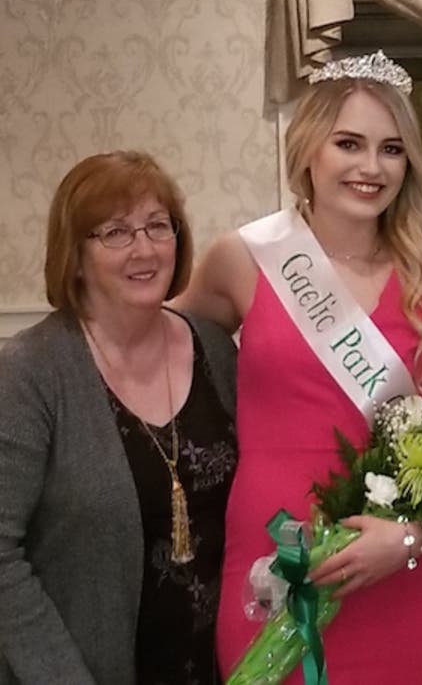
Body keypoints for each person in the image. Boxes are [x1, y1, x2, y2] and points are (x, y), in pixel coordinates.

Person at [179, 52, 422, 683]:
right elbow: (153, 345)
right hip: (274, 556)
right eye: (350, 144)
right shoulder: (243, 259)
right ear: (309, 149)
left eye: (391, 149)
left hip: (403, 568)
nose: (371, 168)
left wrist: (406, 540)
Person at [0, 151, 238, 685]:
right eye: (114, 232)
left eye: (158, 226)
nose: (144, 248)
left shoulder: (215, 350)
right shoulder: (30, 373)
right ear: (75, 256)